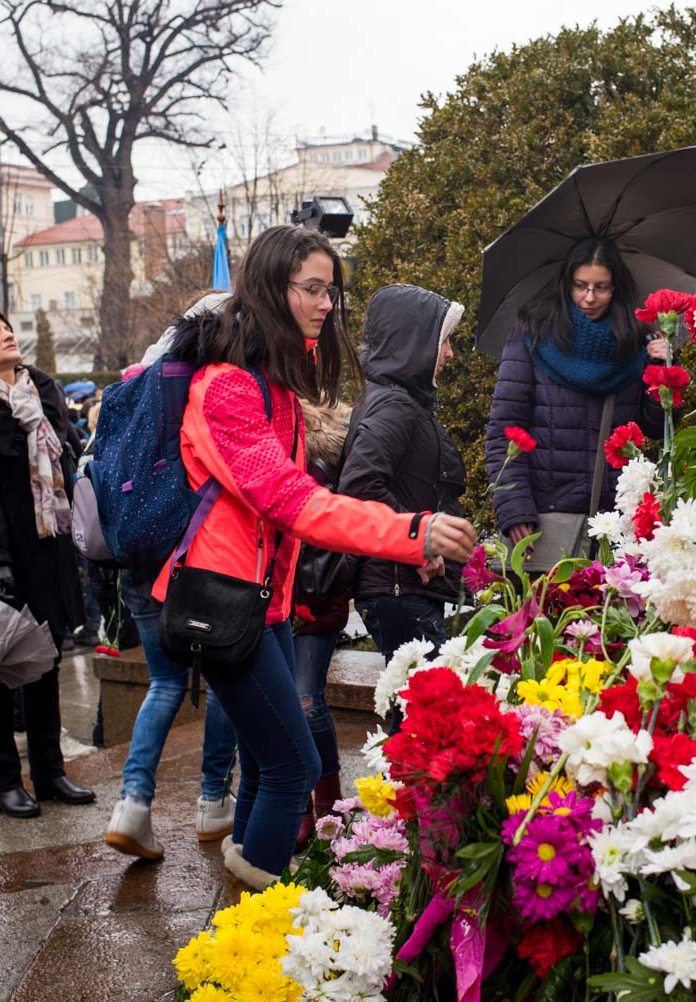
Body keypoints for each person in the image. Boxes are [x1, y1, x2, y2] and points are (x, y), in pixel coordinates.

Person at [149, 225, 476, 889]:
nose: (328, 305)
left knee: (269, 763)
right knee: (293, 767)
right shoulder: (229, 388)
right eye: (312, 289)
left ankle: (239, 932)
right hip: (224, 603)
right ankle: (263, 923)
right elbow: (293, 502)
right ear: (272, 290)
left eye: (332, 291)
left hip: (260, 602)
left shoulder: (273, 386)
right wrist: (411, 533)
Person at [0, 306, 96, 819]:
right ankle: (6, 783)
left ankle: (50, 773)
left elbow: (65, 462)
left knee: (46, 663)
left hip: (46, 546)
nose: (7, 333)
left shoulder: (43, 392)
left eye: (7, 327)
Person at [104, 295, 242, 861]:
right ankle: (214, 803)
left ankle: (132, 806)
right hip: (194, 553)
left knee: (164, 683)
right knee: (227, 684)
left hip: (139, 554)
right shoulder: (209, 383)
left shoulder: (136, 381)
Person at [484, 237, 667, 546]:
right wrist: (515, 510)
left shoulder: (637, 340)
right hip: (547, 518)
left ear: (616, 287)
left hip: (615, 522)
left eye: (602, 287)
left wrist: (661, 370)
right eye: (580, 285)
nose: (590, 297)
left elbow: (656, 428)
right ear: (566, 283)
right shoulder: (533, 333)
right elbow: (505, 431)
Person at [337, 284, 467, 699]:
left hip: (404, 584)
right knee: (421, 717)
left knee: (417, 713)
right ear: (417, 342)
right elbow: (359, 485)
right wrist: (419, 542)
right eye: (443, 341)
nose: (449, 355)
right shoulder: (394, 405)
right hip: (398, 585)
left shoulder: (401, 401)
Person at [288, 396, 354, 848]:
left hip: (315, 597)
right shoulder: (269, 447)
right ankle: (298, 805)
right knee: (286, 706)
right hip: (273, 597)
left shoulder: (326, 453)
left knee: (306, 699)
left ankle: (328, 804)